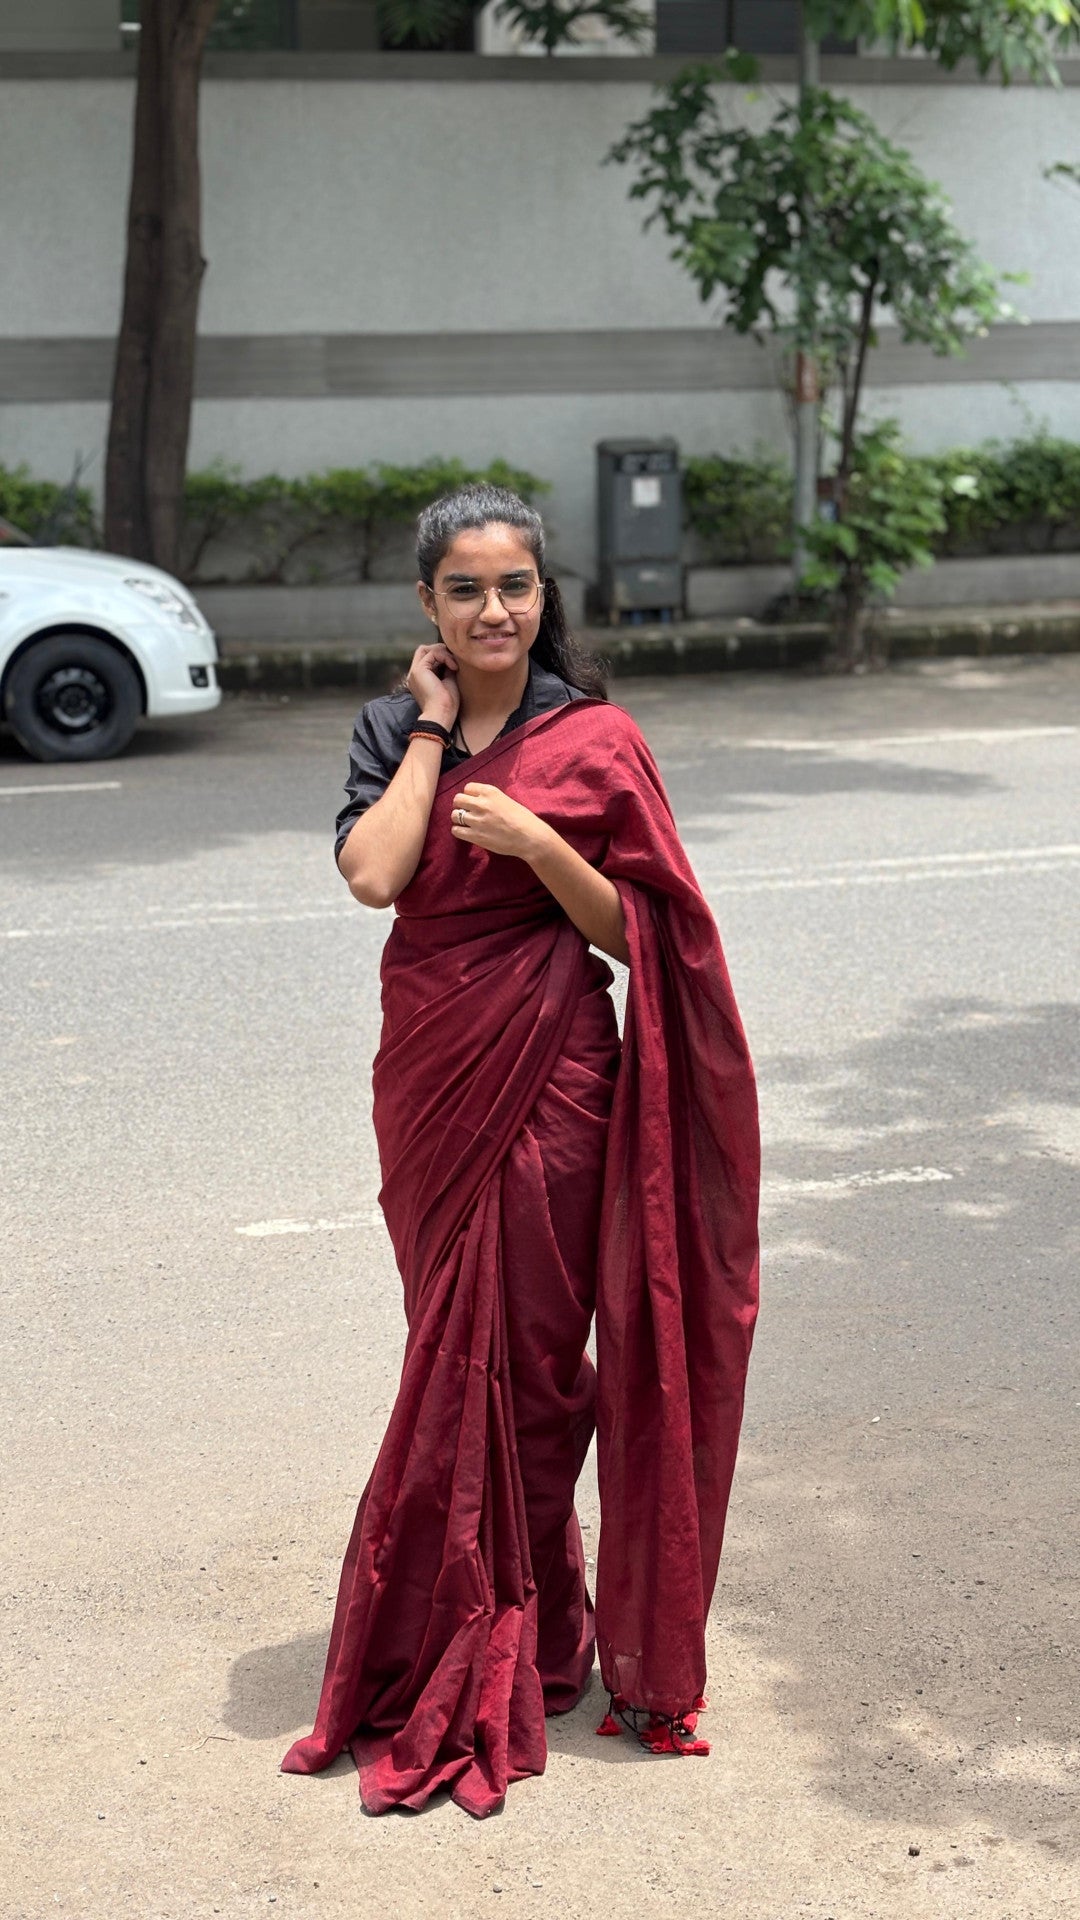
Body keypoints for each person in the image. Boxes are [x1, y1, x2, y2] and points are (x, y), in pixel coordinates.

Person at [282, 485, 760, 1818]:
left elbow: (641, 937)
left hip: (556, 1071)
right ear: (428, 607)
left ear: (548, 599)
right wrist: (434, 732)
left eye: (518, 587)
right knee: (451, 1345)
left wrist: (544, 843)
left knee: (538, 1369)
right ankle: (482, 1616)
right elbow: (375, 877)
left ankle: (535, 1628)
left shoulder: (596, 738)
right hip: (430, 1076)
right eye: (467, 589)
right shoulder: (393, 728)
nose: (496, 610)